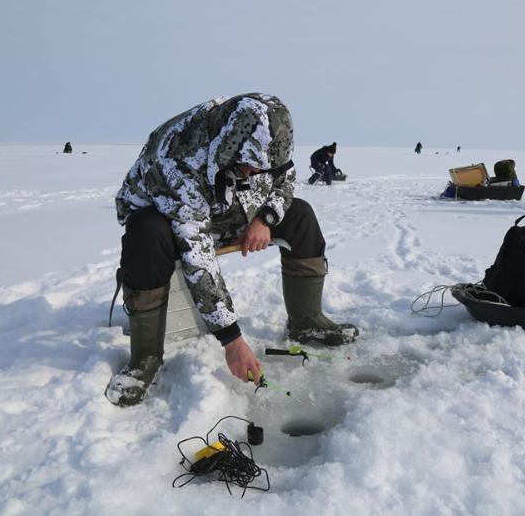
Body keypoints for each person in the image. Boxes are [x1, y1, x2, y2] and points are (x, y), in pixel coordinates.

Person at [107, 94, 359, 407]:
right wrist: (232, 340)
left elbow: (285, 176)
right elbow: (197, 255)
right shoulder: (178, 159)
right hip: (167, 215)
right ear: (229, 148)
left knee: (301, 216)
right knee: (146, 232)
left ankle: (306, 324)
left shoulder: (267, 135)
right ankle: (145, 358)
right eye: (250, 168)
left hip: (224, 207)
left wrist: (265, 218)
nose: (256, 174)